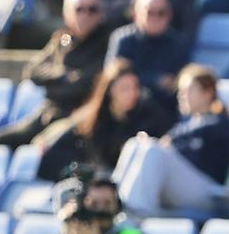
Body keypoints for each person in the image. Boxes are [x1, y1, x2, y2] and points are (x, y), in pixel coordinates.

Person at [0, 0, 113, 149]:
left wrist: (55, 82)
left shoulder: (108, 43)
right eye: (79, 9)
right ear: (67, 13)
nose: (85, 15)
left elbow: (81, 85)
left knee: (39, 148)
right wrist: (62, 76)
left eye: (92, 9)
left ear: (101, 14)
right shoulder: (62, 39)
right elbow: (32, 70)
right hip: (48, 112)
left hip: (78, 117)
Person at [114, 64, 229, 217]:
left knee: (153, 150)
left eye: (188, 90)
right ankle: (113, 207)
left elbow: (193, 146)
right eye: (180, 91)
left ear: (207, 93)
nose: (182, 95)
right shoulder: (184, 126)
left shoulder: (221, 123)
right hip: (183, 189)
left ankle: (135, 218)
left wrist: (168, 143)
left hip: (208, 192)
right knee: (135, 144)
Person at [36, 59, 177, 181]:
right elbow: (70, 137)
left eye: (135, 87)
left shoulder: (148, 111)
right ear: (110, 90)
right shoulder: (95, 116)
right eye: (124, 88)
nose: (132, 93)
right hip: (101, 175)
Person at [106, 0, 188, 105]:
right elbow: (113, 77)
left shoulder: (179, 43)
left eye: (161, 13)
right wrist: (157, 80)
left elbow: (177, 82)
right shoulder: (123, 39)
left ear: (170, 15)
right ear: (135, 14)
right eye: (149, 12)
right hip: (126, 106)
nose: (155, 18)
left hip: (164, 109)